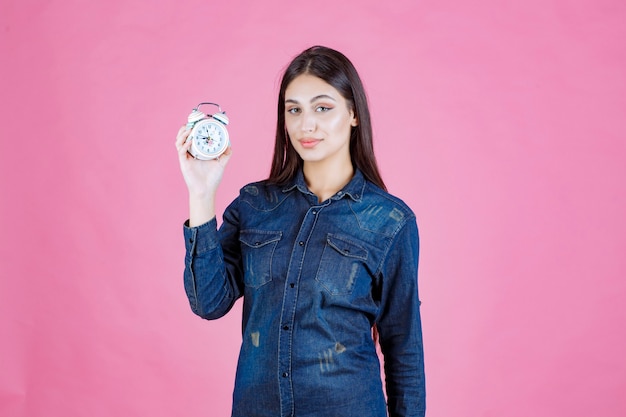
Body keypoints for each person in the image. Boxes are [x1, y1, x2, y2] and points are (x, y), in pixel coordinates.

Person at [175, 45, 425, 417]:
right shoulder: (255, 205)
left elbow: (403, 348)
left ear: (354, 114)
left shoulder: (390, 221)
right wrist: (201, 193)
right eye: (294, 110)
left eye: (323, 108)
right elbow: (208, 302)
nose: (306, 125)